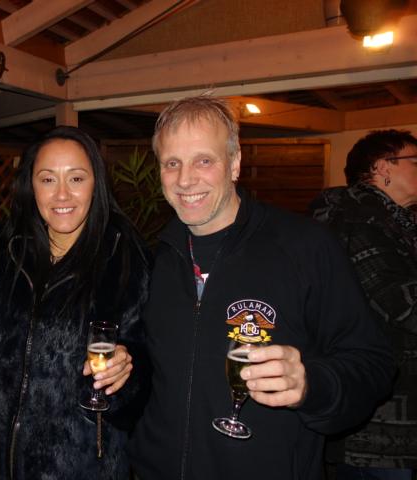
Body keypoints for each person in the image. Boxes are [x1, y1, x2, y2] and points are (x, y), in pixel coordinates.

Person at [128, 95, 396, 480]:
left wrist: (311, 384)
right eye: (172, 163)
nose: (185, 180)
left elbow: (373, 363)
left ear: (235, 163)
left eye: (204, 160)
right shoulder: (158, 258)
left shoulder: (305, 247)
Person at [0, 126, 151, 479]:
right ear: (30, 185)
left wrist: (129, 372)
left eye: (77, 178)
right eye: (48, 179)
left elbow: (149, 370)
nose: (62, 194)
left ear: (96, 184)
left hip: (82, 468)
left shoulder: (125, 260)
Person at [312, 129, 417, 480]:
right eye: (415, 161)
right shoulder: (357, 222)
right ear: (382, 167)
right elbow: (403, 305)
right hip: (378, 424)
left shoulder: (397, 222)